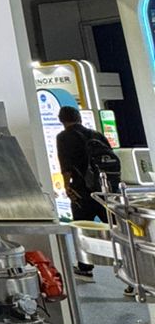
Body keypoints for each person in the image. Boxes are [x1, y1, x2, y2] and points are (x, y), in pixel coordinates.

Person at [55, 105, 119, 278]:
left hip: (82, 190)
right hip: (106, 190)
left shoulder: (63, 137)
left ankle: (85, 266)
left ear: (61, 120)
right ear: (79, 118)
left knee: (82, 227)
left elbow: (66, 166)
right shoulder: (96, 135)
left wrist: (67, 186)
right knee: (115, 227)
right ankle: (129, 261)